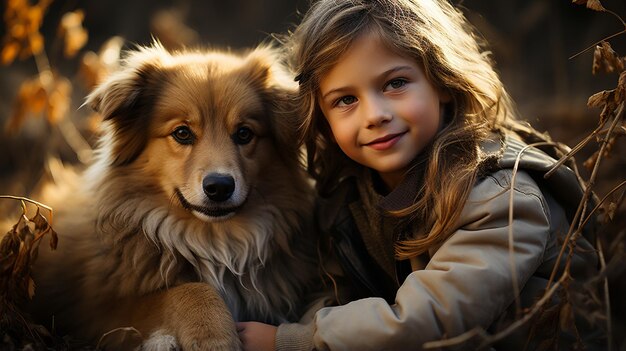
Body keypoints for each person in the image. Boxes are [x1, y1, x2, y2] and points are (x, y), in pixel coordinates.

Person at [237, 0, 604, 350]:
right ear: (321, 117)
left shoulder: (500, 195)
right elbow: (338, 291)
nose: (374, 114)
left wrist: (292, 342)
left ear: (442, 82)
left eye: (394, 83)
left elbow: (432, 319)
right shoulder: (349, 195)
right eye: (345, 100)